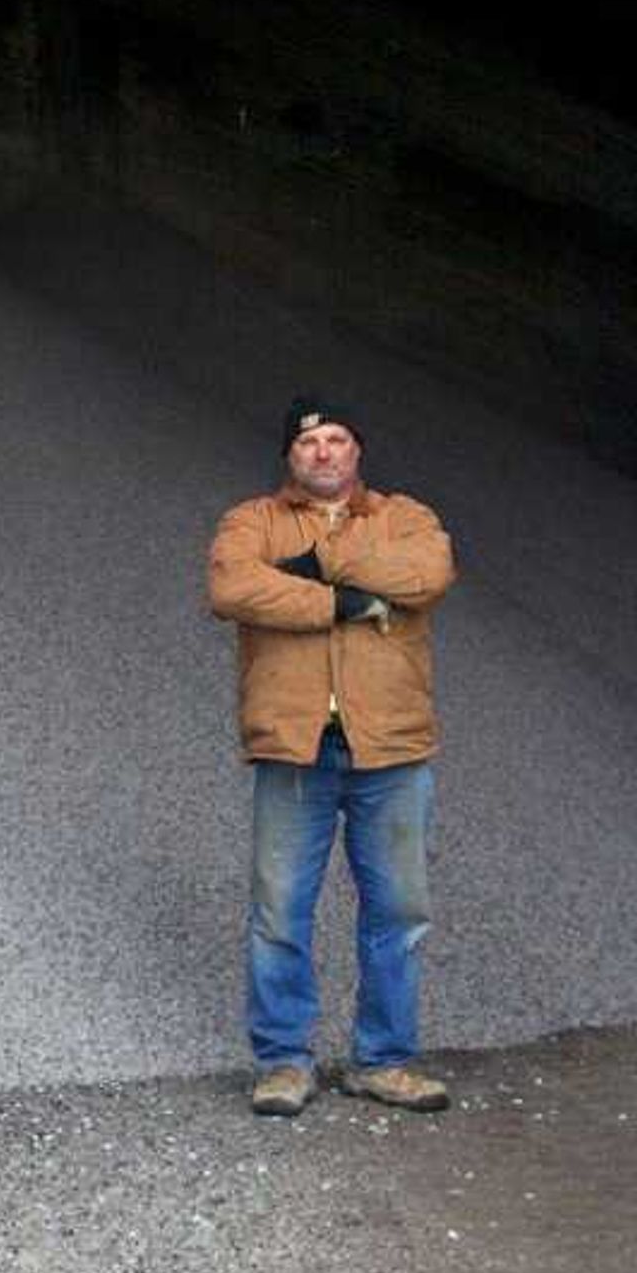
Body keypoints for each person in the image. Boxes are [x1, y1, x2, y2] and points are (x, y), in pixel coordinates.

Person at [202, 399, 459, 1117]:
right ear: (290, 456)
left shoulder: (406, 516)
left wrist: (315, 564)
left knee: (399, 911)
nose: (323, 452)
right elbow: (233, 587)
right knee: (281, 910)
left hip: (394, 746)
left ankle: (383, 1060)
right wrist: (345, 603)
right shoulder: (250, 522)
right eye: (308, 441)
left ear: (358, 451)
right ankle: (284, 1062)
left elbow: (429, 575)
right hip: (294, 747)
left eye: (336, 438)